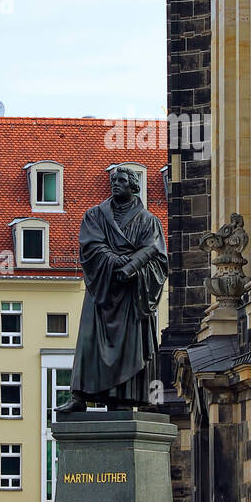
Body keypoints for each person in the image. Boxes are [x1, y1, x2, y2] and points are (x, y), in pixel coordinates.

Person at [65, 166, 168, 412]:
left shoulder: (149, 221)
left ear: (134, 186)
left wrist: (134, 268)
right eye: (114, 180)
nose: (116, 184)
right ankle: (80, 397)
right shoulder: (94, 215)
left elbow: (160, 260)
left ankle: (126, 397)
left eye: (121, 180)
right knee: (89, 340)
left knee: (131, 345)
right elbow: (90, 248)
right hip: (103, 289)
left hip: (133, 294)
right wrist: (117, 261)